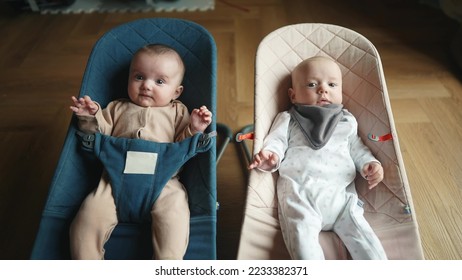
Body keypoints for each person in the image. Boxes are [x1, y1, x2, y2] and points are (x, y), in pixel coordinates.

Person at [69, 44, 212, 260]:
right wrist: (90, 117)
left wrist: (195, 128)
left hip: (164, 182)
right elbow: (99, 135)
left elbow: (183, 147)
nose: (146, 85)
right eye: (138, 77)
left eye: (159, 81)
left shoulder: (178, 111)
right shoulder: (116, 108)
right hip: (113, 180)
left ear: (176, 91)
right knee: (87, 219)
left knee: (175, 217)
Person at [249, 56, 387, 260]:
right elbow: (276, 142)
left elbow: (356, 147)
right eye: (312, 84)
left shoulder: (347, 120)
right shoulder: (289, 119)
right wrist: (271, 156)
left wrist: (370, 164)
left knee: (366, 240)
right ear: (293, 95)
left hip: (341, 197)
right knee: (302, 241)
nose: (323, 90)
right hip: (301, 194)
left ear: (340, 92)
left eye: (332, 85)